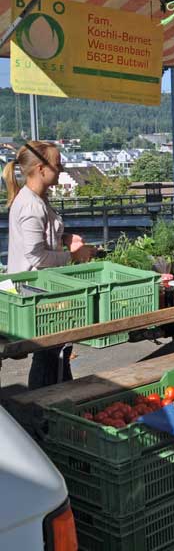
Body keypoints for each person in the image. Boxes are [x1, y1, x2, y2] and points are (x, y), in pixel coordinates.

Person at [4, 141, 95, 389]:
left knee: (57, 352)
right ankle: (45, 407)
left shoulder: (37, 199)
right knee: (50, 353)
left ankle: (57, 399)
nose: (61, 168)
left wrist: (64, 239)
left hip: (40, 288)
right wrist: (73, 257)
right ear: (41, 169)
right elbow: (36, 256)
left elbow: (40, 241)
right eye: (58, 164)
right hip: (35, 291)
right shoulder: (32, 206)